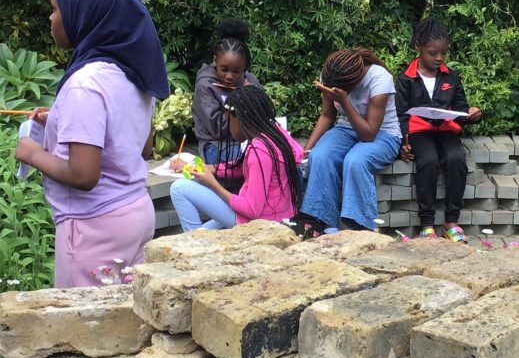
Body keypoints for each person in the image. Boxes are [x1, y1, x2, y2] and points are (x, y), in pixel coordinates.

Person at [15, 0, 167, 287]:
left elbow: (84, 175)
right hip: (135, 213)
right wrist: (59, 118)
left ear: (84, 14)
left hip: (94, 228)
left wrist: (31, 153)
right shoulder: (132, 71)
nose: (51, 18)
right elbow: (144, 146)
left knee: (83, 330)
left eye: (56, 9)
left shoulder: (85, 84)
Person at [296, 47, 401, 236]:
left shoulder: (379, 79)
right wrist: (306, 151)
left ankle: (360, 227)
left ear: (354, 81)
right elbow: (327, 115)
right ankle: (323, 222)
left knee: (355, 161)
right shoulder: (331, 75)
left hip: (383, 133)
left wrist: (344, 101)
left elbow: (368, 134)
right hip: (346, 128)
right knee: (320, 156)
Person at [395, 17, 482, 242]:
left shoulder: (451, 76)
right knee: (428, 161)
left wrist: (472, 115)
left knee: (456, 159)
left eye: (443, 53)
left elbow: (461, 109)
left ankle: (451, 221)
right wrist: (402, 143)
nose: (439, 58)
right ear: (418, 47)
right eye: (432, 53)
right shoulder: (406, 79)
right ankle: (427, 224)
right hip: (418, 132)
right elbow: (401, 115)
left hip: (445, 130)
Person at [170, 85, 303, 231]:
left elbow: (252, 210)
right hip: (278, 216)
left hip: (259, 223)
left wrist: (212, 184)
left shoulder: (259, 150)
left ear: (239, 119)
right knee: (207, 227)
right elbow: (246, 167)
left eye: (229, 121)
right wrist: (210, 168)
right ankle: (195, 237)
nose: (229, 128)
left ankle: (193, 243)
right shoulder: (275, 133)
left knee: (179, 188)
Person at [192, 18, 259, 165]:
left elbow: (262, 118)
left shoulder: (251, 81)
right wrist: (241, 102)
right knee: (251, 160)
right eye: (224, 69)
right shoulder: (205, 85)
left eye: (236, 71)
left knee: (277, 152)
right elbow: (217, 129)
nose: (229, 76)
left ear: (245, 66)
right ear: (215, 60)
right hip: (216, 145)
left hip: (250, 140)